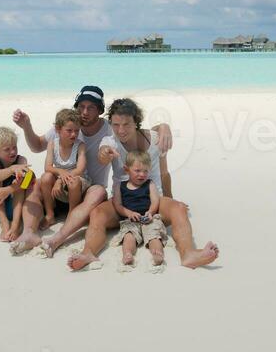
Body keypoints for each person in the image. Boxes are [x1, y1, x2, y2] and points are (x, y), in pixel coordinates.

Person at [4, 85, 173, 256]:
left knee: (99, 191)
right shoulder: (68, 125)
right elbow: (38, 145)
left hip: (86, 193)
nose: (84, 112)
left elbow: (139, 129)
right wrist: (26, 126)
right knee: (36, 183)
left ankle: (58, 238)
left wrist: (164, 126)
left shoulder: (112, 128)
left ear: (100, 110)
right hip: (56, 190)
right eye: (81, 106)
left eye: (91, 107)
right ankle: (29, 233)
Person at [67, 97, 220, 271]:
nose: (121, 130)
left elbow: (164, 173)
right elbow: (102, 155)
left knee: (178, 209)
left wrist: (170, 202)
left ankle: (188, 254)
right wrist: (104, 153)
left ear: (136, 123)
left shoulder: (156, 139)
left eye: (126, 124)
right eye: (115, 125)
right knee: (97, 213)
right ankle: (88, 253)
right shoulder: (110, 141)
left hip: (153, 200)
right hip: (122, 202)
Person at [112, 149, 167, 268]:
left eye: (145, 171)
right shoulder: (120, 186)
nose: (142, 174)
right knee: (129, 236)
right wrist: (129, 213)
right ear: (127, 169)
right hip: (130, 220)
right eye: (137, 170)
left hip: (149, 218)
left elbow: (155, 200)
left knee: (153, 235)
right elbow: (118, 205)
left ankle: (157, 253)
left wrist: (151, 212)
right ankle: (128, 253)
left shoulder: (150, 184)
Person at [41, 108, 90, 227]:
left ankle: (71, 215)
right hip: (62, 177)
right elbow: (47, 167)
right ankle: (50, 214)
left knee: (73, 182)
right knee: (46, 177)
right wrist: (59, 172)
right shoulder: (52, 144)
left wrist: (59, 180)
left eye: (77, 131)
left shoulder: (80, 146)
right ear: (58, 129)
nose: (74, 134)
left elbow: (80, 169)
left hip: (77, 180)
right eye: (69, 130)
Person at [0, 126, 33, 243]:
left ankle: (15, 225)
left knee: (21, 181)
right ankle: (5, 225)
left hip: (15, 208)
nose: (13, 152)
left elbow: (27, 181)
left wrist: (9, 190)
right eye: (7, 149)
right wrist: (12, 169)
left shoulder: (21, 160)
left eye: (14, 147)